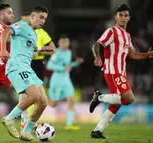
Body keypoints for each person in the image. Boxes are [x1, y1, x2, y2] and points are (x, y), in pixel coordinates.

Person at [90, 3, 153, 139]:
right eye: (121, 15)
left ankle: (97, 131)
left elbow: (132, 54)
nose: (123, 17)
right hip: (113, 71)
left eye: (126, 15)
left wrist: (145, 55)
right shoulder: (111, 31)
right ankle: (99, 97)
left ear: (129, 18)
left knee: (117, 103)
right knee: (129, 98)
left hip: (120, 72)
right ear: (116, 17)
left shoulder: (127, 36)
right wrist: (97, 57)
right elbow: (97, 44)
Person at [0, 6, 54, 141]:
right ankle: (9, 119)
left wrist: (42, 49)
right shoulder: (23, 25)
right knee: (34, 95)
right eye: (41, 17)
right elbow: (6, 32)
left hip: (28, 68)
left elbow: (29, 48)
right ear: (33, 16)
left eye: (45, 19)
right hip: (17, 66)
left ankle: (25, 131)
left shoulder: (34, 34)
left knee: (43, 102)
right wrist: (2, 49)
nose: (43, 21)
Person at [19, 12, 56, 129]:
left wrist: (38, 52)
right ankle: (24, 120)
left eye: (26, 19)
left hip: (37, 64)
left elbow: (53, 49)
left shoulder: (41, 32)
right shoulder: (20, 32)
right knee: (24, 91)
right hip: (24, 63)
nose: (24, 22)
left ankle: (30, 120)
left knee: (37, 95)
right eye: (22, 20)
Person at [47, 34, 83, 130]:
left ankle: (69, 124)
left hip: (66, 80)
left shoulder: (69, 52)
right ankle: (41, 100)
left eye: (66, 42)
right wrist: (63, 68)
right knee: (54, 104)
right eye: (63, 42)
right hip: (56, 81)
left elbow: (68, 65)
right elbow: (49, 66)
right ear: (59, 43)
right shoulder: (55, 52)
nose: (65, 44)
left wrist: (76, 63)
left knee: (71, 101)